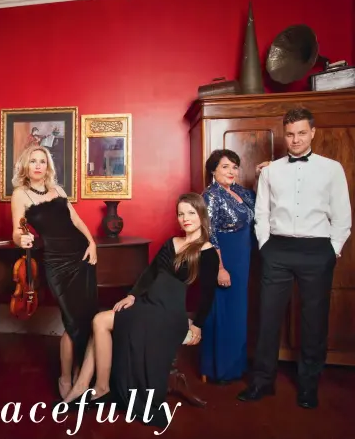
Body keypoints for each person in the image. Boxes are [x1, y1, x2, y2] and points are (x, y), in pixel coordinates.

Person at [61, 193, 221, 428]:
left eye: (190, 213)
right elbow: (150, 273)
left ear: (201, 215)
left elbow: (208, 294)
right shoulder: (171, 243)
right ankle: (94, 387)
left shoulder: (207, 252)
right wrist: (132, 295)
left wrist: (197, 325)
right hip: (147, 304)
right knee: (100, 321)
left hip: (168, 313)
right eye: (180, 214)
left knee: (101, 320)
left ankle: (95, 387)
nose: (185, 218)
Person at [238, 107, 351, 408]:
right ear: (284, 135)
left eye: (302, 133)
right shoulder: (271, 170)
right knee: (267, 317)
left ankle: (308, 385)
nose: (296, 139)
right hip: (277, 249)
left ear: (312, 132)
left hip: (317, 250)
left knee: (314, 321)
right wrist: (265, 245)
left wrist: (332, 249)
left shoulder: (332, 168)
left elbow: (342, 215)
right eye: (290, 134)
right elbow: (261, 212)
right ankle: (262, 382)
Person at [11, 145, 99, 400]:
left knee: (86, 318)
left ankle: (82, 374)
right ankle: (65, 376)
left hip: (81, 256)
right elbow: (17, 230)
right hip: (56, 262)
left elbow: (77, 220)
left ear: (48, 166)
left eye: (42, 161)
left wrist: (92, 243)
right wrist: (21, 240)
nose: (38, 165)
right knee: (72, 320)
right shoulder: (20, 194)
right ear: (26, 166)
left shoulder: (58, 190)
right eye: (33, 161)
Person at [201, 149, 255, 384]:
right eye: (225, 167)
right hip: (225, 257)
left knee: (238, 312)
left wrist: (264, 175)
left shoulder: (240, 191)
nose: (231, 171)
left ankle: (237, 364)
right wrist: (220, 268)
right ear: (213, 170)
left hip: (243, 257)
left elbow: (258, 205)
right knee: (222, 311)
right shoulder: (211, 195)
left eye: (234, 166)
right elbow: (209, 234)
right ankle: (219, 368)